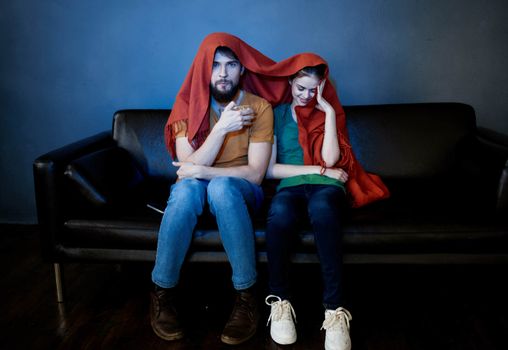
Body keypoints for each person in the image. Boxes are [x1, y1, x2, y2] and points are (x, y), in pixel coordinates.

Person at [150, 38, 274, 345]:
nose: (222, 73)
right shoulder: (186, 108)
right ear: (204, 69)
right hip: (195, 186)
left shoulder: (259, 107)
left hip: (240, 190)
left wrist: (204, 172)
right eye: (215, 65)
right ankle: (162, 294)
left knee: (219, 188)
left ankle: (246, 297)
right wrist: (221, 128)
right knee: (185, 192)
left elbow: (256, 175)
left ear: (242, 69)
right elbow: (185, 171)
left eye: (231, 65)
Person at [263, 62, 388, 350]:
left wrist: (328, 111)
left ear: (322, 88)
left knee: (322, 210)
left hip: (328, 187)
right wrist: (318, 171)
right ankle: (280, 301)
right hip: (292, 187)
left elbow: (331, 161)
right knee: (279, 214)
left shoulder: (329, 112)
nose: (306, 96)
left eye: (313, 90)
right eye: (300, 88)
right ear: (289, 84)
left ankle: (335, 310)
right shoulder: (276, 114)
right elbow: (271, 170)